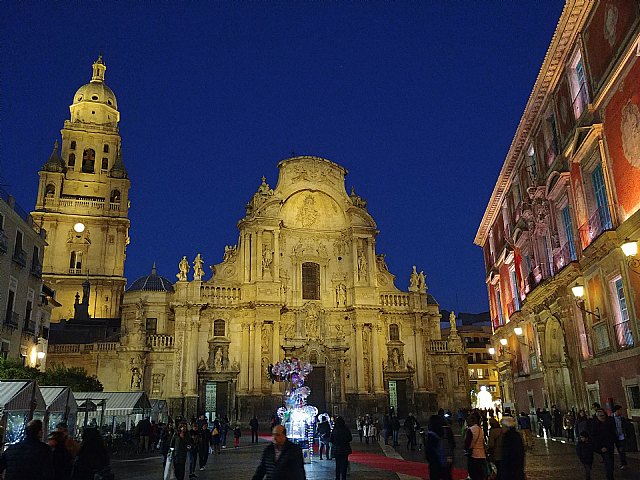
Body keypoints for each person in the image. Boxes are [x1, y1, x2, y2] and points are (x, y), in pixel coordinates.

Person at [590, 408, 616, 480]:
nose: (603, 417)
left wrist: (616, 444)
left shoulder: (608, 423)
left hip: (610, 446)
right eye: (600, 416)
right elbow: (594, 438)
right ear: (597, 417)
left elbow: (613, 434)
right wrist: (600, 448)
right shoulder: (595, 425)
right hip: (603, 448)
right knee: (609, 464)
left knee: (611, 463)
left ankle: (610, 476)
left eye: (603, 415)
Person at [496, 416, 524, 480]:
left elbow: (508, 454)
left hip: (511, 470)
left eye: (502, 426)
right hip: (516, 470)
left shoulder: (509, 437)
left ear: (507, 426)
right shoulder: (516, 435)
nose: (502, 428)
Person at [463, 414, 486, 480]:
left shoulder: (471, 430)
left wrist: (466, 449)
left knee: (473, 473)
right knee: (480, 473)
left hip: (473, 454)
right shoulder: (480, 429)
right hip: (481, 454)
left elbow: (468, 442)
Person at [425, 415, 446, 480]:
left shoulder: (431, 435)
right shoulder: (442, 432)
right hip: (442, 462)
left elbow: (429, 452)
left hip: (434, 463)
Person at [612, 405, 628, 470]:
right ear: (617, 410)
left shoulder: (622, 418)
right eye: (620, 410)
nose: (621, 411)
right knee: (619, 450)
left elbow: (625, 427)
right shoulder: (611, 418)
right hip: (615, 437)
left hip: (621, 436)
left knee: (622, 450)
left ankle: (624, 463)